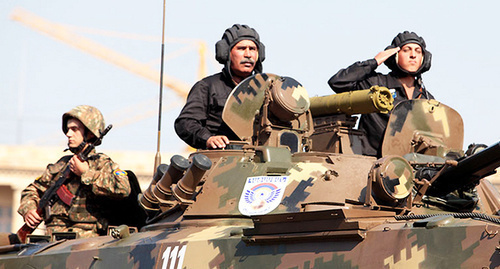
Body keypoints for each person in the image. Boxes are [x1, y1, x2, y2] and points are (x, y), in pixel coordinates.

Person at [18, 105, 131, 238]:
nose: (68, 134)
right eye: (68, 129)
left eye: (74, 129)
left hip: (86, 241)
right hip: (51, 240)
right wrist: (29, 209)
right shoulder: (61, 165)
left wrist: (86, 173)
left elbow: (124, 188)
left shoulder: (102, 164)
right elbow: (32, 190)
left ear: (89, 133)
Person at [328, 31, 434, 157]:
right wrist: (375, 61)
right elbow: (337, 82)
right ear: (394, 55)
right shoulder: (375, 84)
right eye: (406, 50)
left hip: (406, 166)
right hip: (370, 162)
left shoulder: (426, 99)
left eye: (418, 51)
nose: (413, 55)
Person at [175, 24, 265, 149]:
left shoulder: (268, 90)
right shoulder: (207, 87)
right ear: (226, 52)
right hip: (221, 157)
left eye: (253, 49)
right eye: (241, 48)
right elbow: (185, 123)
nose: (248, 54)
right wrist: (208, 138)